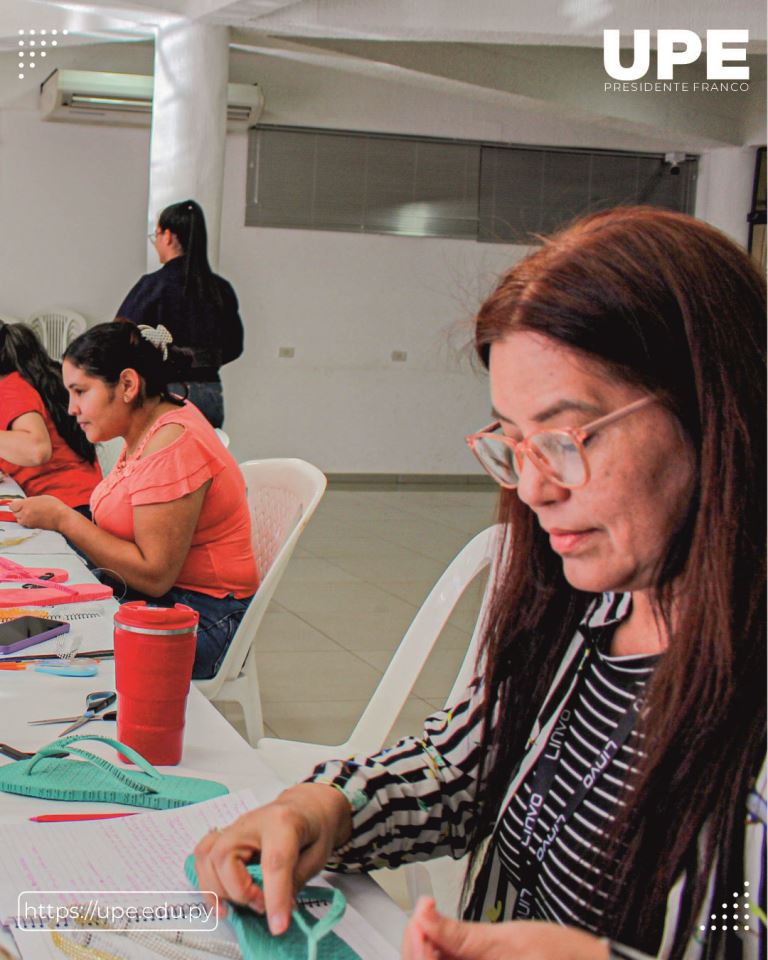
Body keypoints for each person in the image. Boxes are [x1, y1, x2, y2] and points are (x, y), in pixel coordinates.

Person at [192, 207, 766, 959]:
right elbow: (463, 764)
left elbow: (739, 926)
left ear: (715, 410)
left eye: (565, 439)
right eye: (514, 441)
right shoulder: (590, 605)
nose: (533, 488)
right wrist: (323, 808)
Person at [10, 320, 259, 679]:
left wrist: (65, 519)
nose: (71, 409)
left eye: (81, 392)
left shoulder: (173, 445)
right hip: (174, 599)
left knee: (54, 639)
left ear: (127, 385)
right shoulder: (150, 425)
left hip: (204, 617)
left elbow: (154, 576)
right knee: (39, 609)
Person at [116, 199, 244, 428]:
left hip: (165, 393)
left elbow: (121, 336)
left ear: (168, 235)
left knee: (165, 460)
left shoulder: (152, 286)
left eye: (156, 235)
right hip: (210, 394)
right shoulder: (220, 289)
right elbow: (235, 347)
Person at [0, 322, 100, 517]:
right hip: (84, 500)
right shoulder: (28, 382)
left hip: (70, 509)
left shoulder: (10, 388)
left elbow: (36, 450)